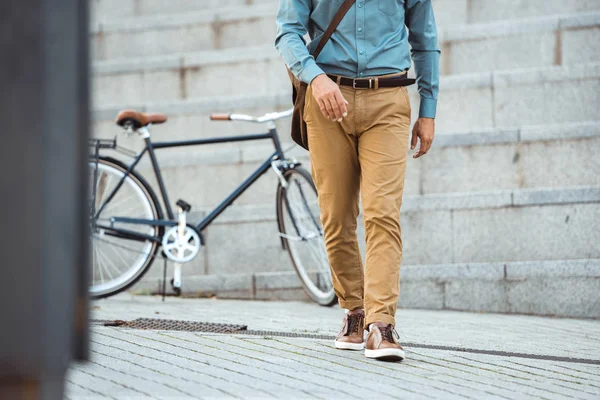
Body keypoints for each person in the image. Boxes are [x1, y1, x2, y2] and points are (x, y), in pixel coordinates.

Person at [275, 0, 439, 361]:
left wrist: (428, 109)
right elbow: (287, 33)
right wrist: (314, 78)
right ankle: (355, 309)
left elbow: (425, 41)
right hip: (328, 100)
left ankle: (381, 326)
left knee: (382, 213)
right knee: (336, 217)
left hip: (389, 100)